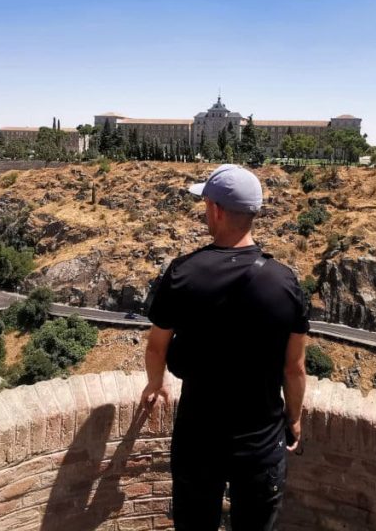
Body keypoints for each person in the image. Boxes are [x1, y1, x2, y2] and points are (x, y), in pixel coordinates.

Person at [141, 164, 309, 531]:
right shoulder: (286, 282)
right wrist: (293, 417)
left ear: (216, 209)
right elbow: (294, 368)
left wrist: (156, 383)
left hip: (199, 438)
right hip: (261, 441)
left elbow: (156, 347)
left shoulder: (182, 272)